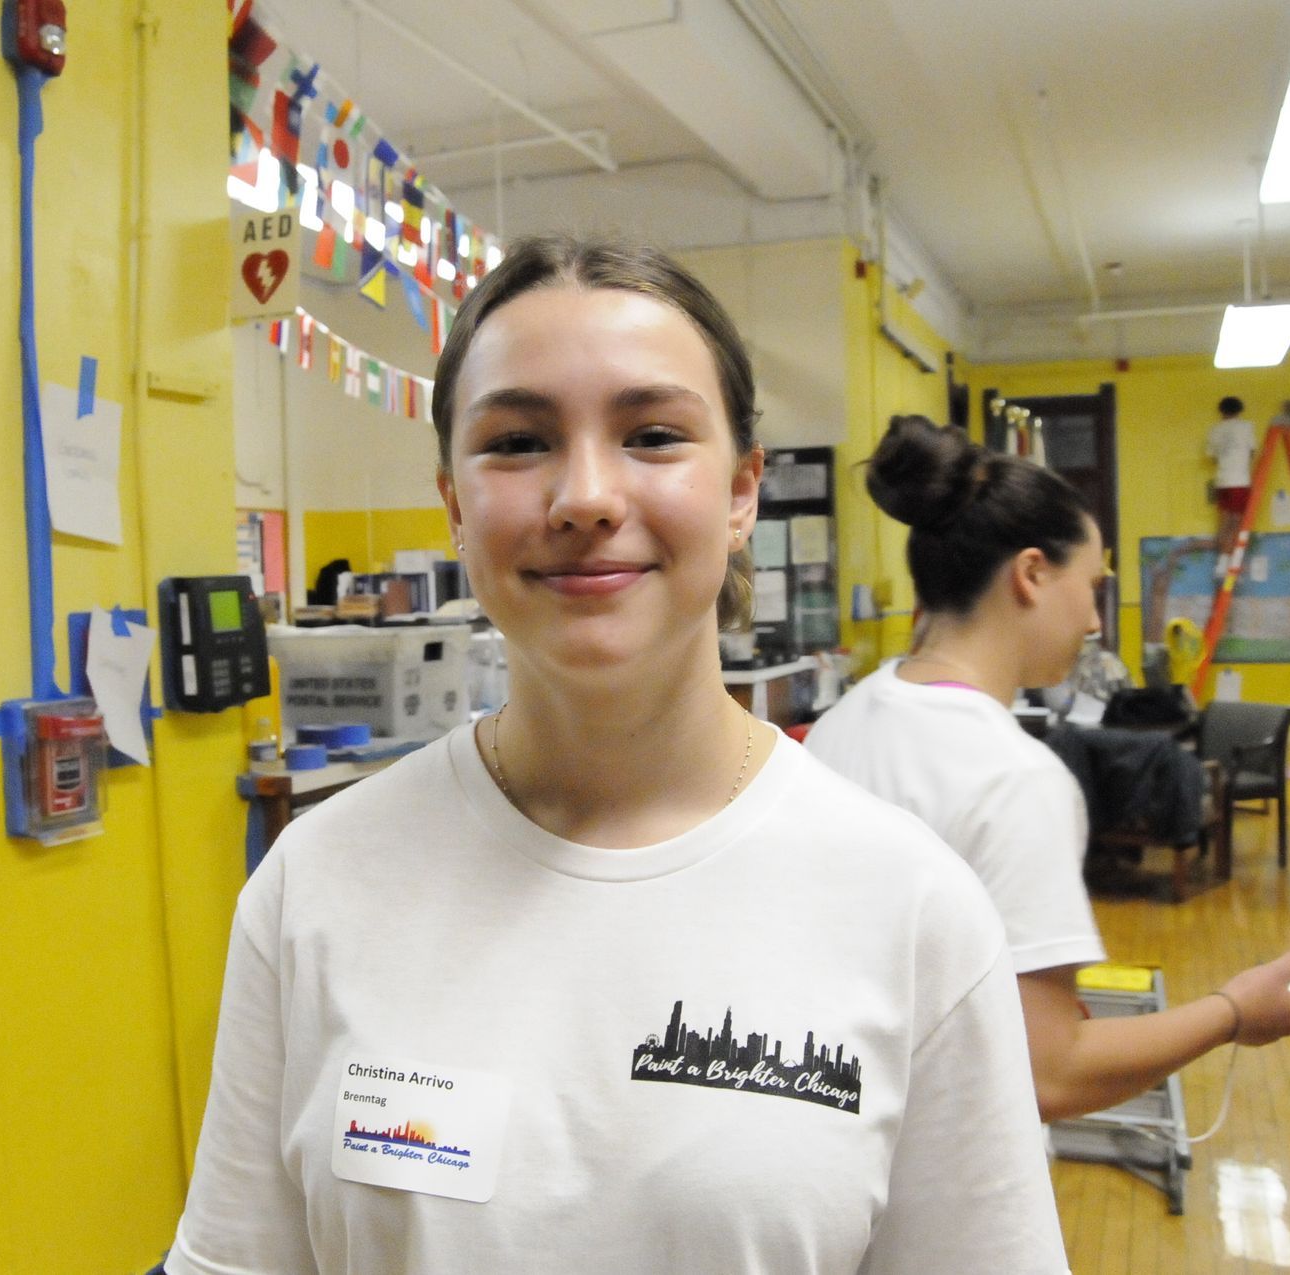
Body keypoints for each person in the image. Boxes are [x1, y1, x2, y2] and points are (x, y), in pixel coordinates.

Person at [166, 241, 1067, 1273]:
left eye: (650, 433)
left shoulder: (912, 912)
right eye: (516, 442)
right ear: (455, 503)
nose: (586, 496)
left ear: (740, 495)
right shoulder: (316, 885)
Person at [806, 415, 1290, 1124]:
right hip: (938, 1175)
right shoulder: (1017, 777)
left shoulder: (843, 720)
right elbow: (1050, 1073)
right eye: (1091, 586)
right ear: (1031, 573)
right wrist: (1233, 1011)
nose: (1093, 620)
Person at [1206, 395, 1257, 572]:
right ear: (1239, 411)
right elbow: (1251, 452)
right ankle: (1231, 560)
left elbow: (1212, 457)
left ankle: (1221, 562)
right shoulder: (1246, 427)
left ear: (1221, 411)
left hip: (1222, 481)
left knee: (1224, 521)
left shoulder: (1215, 429)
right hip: (1240, 481)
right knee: (1237, 522)